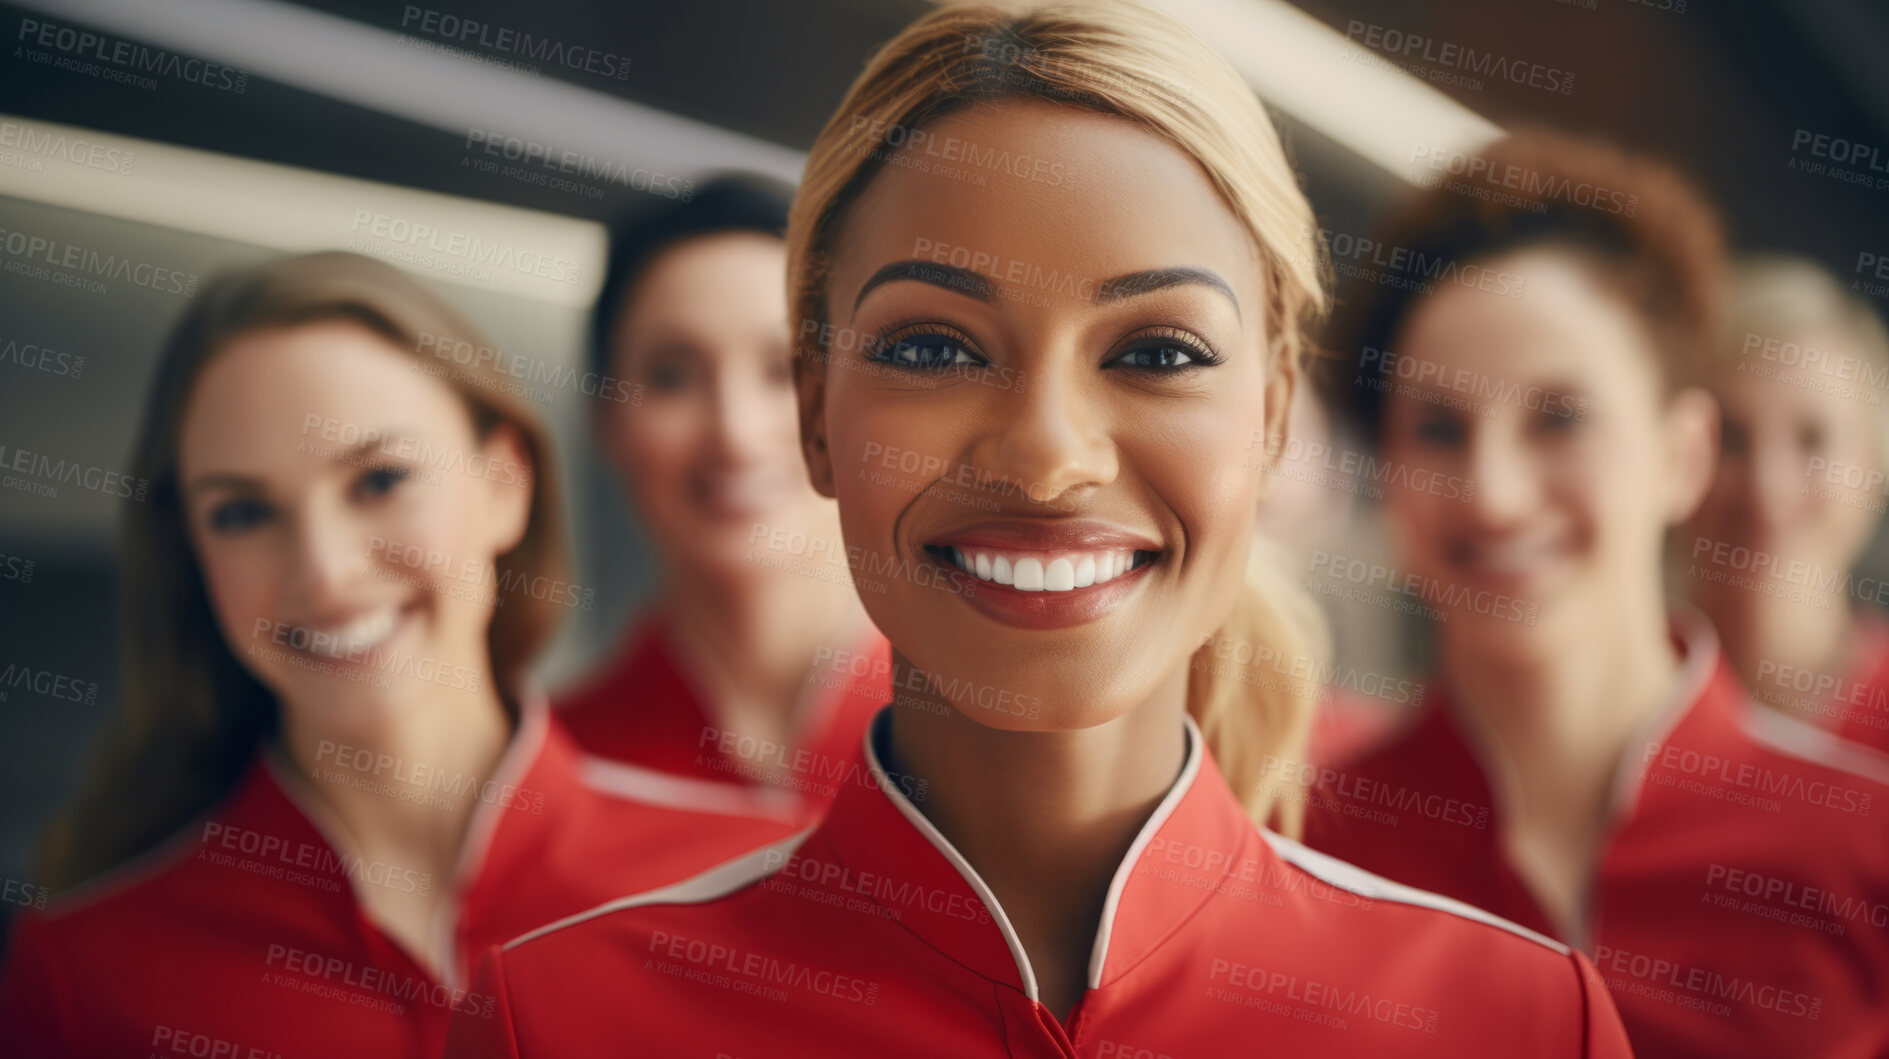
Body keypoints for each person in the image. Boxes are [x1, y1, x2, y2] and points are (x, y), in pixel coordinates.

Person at [444, 6, 1634, 1056]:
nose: (1048, 454)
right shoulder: (556, 1024)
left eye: (1156, 352)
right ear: (817, 416)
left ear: (1269, 419)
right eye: (932, 348)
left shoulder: (1520, 1025)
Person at [0, 252, 795, 1058]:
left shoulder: (772, 884)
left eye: (379, 479)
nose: (324, 572)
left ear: (504, 485)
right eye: (243, 512)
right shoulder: (80, 973)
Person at [1301, 131, 1889, 1058]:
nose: (1494, 492)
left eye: (1559, 418)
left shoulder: (1867, 860)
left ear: (1681, 455)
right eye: (1439, 428)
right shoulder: (1297, 851)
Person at [557, 175, 890, 823]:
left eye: (784, 368)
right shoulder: (553, 772)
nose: (734, 434)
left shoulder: (987, 738)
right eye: (672, 375)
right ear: (607, 419)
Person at [1682, 255, 1889, 752]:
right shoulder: (1612, 700)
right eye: (1730, 436)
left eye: (1813, 440)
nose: (1767, 488)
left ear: (1874, 466)